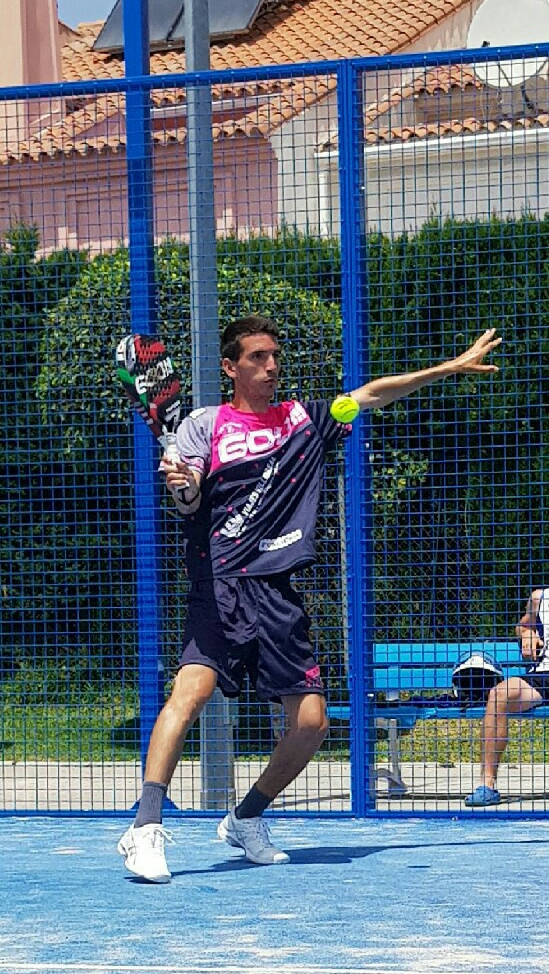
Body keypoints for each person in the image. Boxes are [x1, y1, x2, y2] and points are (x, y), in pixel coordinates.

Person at [117, 315, 500, 882]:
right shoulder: (204, 425)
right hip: (220, 583)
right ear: (231, 367)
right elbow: (190, 498)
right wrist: (184, 486)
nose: (271, 366)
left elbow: (370, 395)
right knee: (190, 694)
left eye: (274, 355)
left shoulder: (306, 419)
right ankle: (145, 827)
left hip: (278, 592)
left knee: (313, 724)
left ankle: (246, 818)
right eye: (258, 357)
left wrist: (448, 368)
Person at [465, 588, 549, 807]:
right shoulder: (540, 598)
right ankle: (487, 785)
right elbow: (523, 625)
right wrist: (527, 633)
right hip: (544, 675)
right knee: (498, 694)